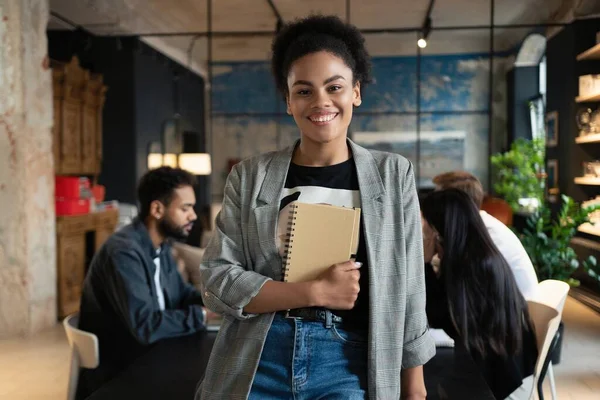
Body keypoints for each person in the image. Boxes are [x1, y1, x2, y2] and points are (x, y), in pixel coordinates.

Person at [197, 15, 435, 400]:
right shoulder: (249, 176)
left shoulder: (393, 174)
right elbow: (217, 281)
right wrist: (315, 292)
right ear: (288, 101)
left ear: (356, 91)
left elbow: (408, 288)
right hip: (257, 354)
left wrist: (414, 387)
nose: (321, 101)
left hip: (347, 357)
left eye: (334, 87)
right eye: (304, 91)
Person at [76, 167, 208, 399]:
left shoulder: (161, 245)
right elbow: (145, 326)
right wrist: (203, 316)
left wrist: (218, 301)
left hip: (152, 354)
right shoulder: (123, 252)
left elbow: (182, 295)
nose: (193, 216)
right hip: (122, 371)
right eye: (185, 208)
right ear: (157, 209)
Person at [420, 189, 538, 400]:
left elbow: (440, 319)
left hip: (498, 385)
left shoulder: (472, 266)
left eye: (424, 224)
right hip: (502, 371)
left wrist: (425, 261)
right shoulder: (478, 254)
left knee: (416, 386)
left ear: (439, 228)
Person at [432, 171, 539, 300]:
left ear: (455, 205)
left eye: (438, 200)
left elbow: (459, 287)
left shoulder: (485, 237)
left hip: (514, 314)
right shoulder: (480, 226)